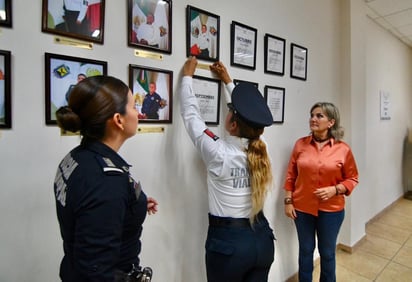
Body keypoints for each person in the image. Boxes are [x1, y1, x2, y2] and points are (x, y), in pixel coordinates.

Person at [54, 75, 158, 281]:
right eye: (132, 106)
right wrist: (113, 199)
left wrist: (132, 204)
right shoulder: (105, 182)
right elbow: (95, 271)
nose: (137, 112)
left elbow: (89, 207)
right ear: (118, 120)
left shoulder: (78, 157)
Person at [180, 57, 275, 282]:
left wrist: (187, 76)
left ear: (233, 124)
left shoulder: (218, 153)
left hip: (229, 246)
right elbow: (250, 116)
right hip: (262, 240)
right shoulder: (261, 147)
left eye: (231, 110)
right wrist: (228, 81)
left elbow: (191, 116)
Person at [283, 102, 359, 282]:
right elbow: (291, 175)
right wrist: (288, 201)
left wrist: (335, 189)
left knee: (327, 253)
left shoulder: (343, 149)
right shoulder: (300, 144)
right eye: (312, 115)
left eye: (319, 116)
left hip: (331, 210)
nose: (313, 119)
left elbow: (353, 178)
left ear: (331, 122)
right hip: (302, 209)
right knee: (306, 251)